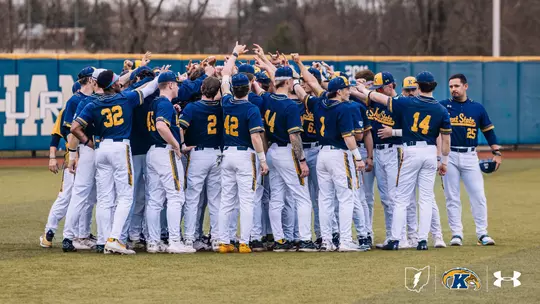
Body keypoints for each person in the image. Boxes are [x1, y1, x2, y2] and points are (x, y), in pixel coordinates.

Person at [357, 71, 451, 250]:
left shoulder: (408, 102)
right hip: (430, 152)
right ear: (433, 86)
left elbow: (380, 98)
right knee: (425, 199)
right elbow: (446, 140)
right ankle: (422, 240)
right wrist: (444, 161)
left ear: (418, 86)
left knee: (400, 198)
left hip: (410, 151)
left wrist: (364, 90)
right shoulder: (441, 108)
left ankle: (395, 239)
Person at [70, 68, 161, 254]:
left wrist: (87, 142)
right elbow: (150, 88)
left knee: (104, 198)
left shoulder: (93, 103)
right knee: (125, 197)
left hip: (101, 149)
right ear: (113, 84)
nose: (120, 83)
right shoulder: (126, 98)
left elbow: (75, 127)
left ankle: (103, 240)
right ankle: (115, 239)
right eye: (117, 81)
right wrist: (159, 77)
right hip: (120, 148)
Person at [293, 54, 366, 252]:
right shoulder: (343, 108)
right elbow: (349, 138)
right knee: (346, 198)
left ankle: (326, 240)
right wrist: (358, 158)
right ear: (339, 91)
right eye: (347, 88)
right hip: (339, 154)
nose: (349, 91)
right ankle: (344, 241)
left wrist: (295, 76)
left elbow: (306, 88)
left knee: (324, 199)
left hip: (322, 154)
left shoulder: (319, 103)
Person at [251, 64, 316, 252]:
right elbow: (294, 136)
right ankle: (304, 239)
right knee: (302, 197)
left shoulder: (267, 99)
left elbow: (260, 91)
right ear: (288, 82)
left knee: (276, 198)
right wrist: (302, 160)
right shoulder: (290, 105)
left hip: (271, 152)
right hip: (287, 153)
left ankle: (280, 240)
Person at [217, 42, 268, 254]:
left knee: (227, 200)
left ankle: (223, 242)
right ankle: (244, 241)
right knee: (247, 201)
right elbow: (256, 137)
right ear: (248, 88)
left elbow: (226, 76)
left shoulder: (227, 102)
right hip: (245, 156)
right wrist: (263, 160)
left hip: (227, 154)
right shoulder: (251, 107)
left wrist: (234, 54)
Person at [440, 73, 501, 246]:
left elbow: (488, 131)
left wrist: (497, 152)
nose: (453, 89)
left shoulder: (477, 108)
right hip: (449, 155)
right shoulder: (443, 106)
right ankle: (456, 234)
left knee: (478, 195)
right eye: (451, 86)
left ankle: (482, 233)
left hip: (470, 156)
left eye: (457, 86)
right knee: (452, 196)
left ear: (465, 86)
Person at [179, 76, 223, 252]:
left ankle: (189, 238)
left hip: (197, 154)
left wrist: (182, 145)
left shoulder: (192, 107)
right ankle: (217, 239)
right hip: (218, 154)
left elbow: (180, 127)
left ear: (202, 88)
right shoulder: (222, 107)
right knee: (215, 200)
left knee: (192, 199)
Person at [61, 67, 100, 252]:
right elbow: (72, 130)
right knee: (80, 194)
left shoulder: (93, 98)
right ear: (91, 80)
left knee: (91, 197)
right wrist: (73, 155)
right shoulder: (76, 100)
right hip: (86, 150)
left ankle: (82, 235)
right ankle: (70, 236)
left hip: (94, 151)